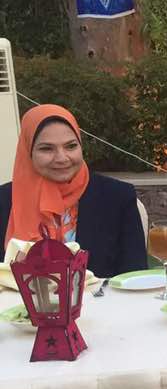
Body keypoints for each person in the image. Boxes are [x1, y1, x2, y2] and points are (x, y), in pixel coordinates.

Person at [0, 104, 146, 278]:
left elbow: (135, 275)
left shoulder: (117, 196)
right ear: (28, 152)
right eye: (46, 148)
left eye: (70, 146)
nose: (62, 158)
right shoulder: (4, 200)